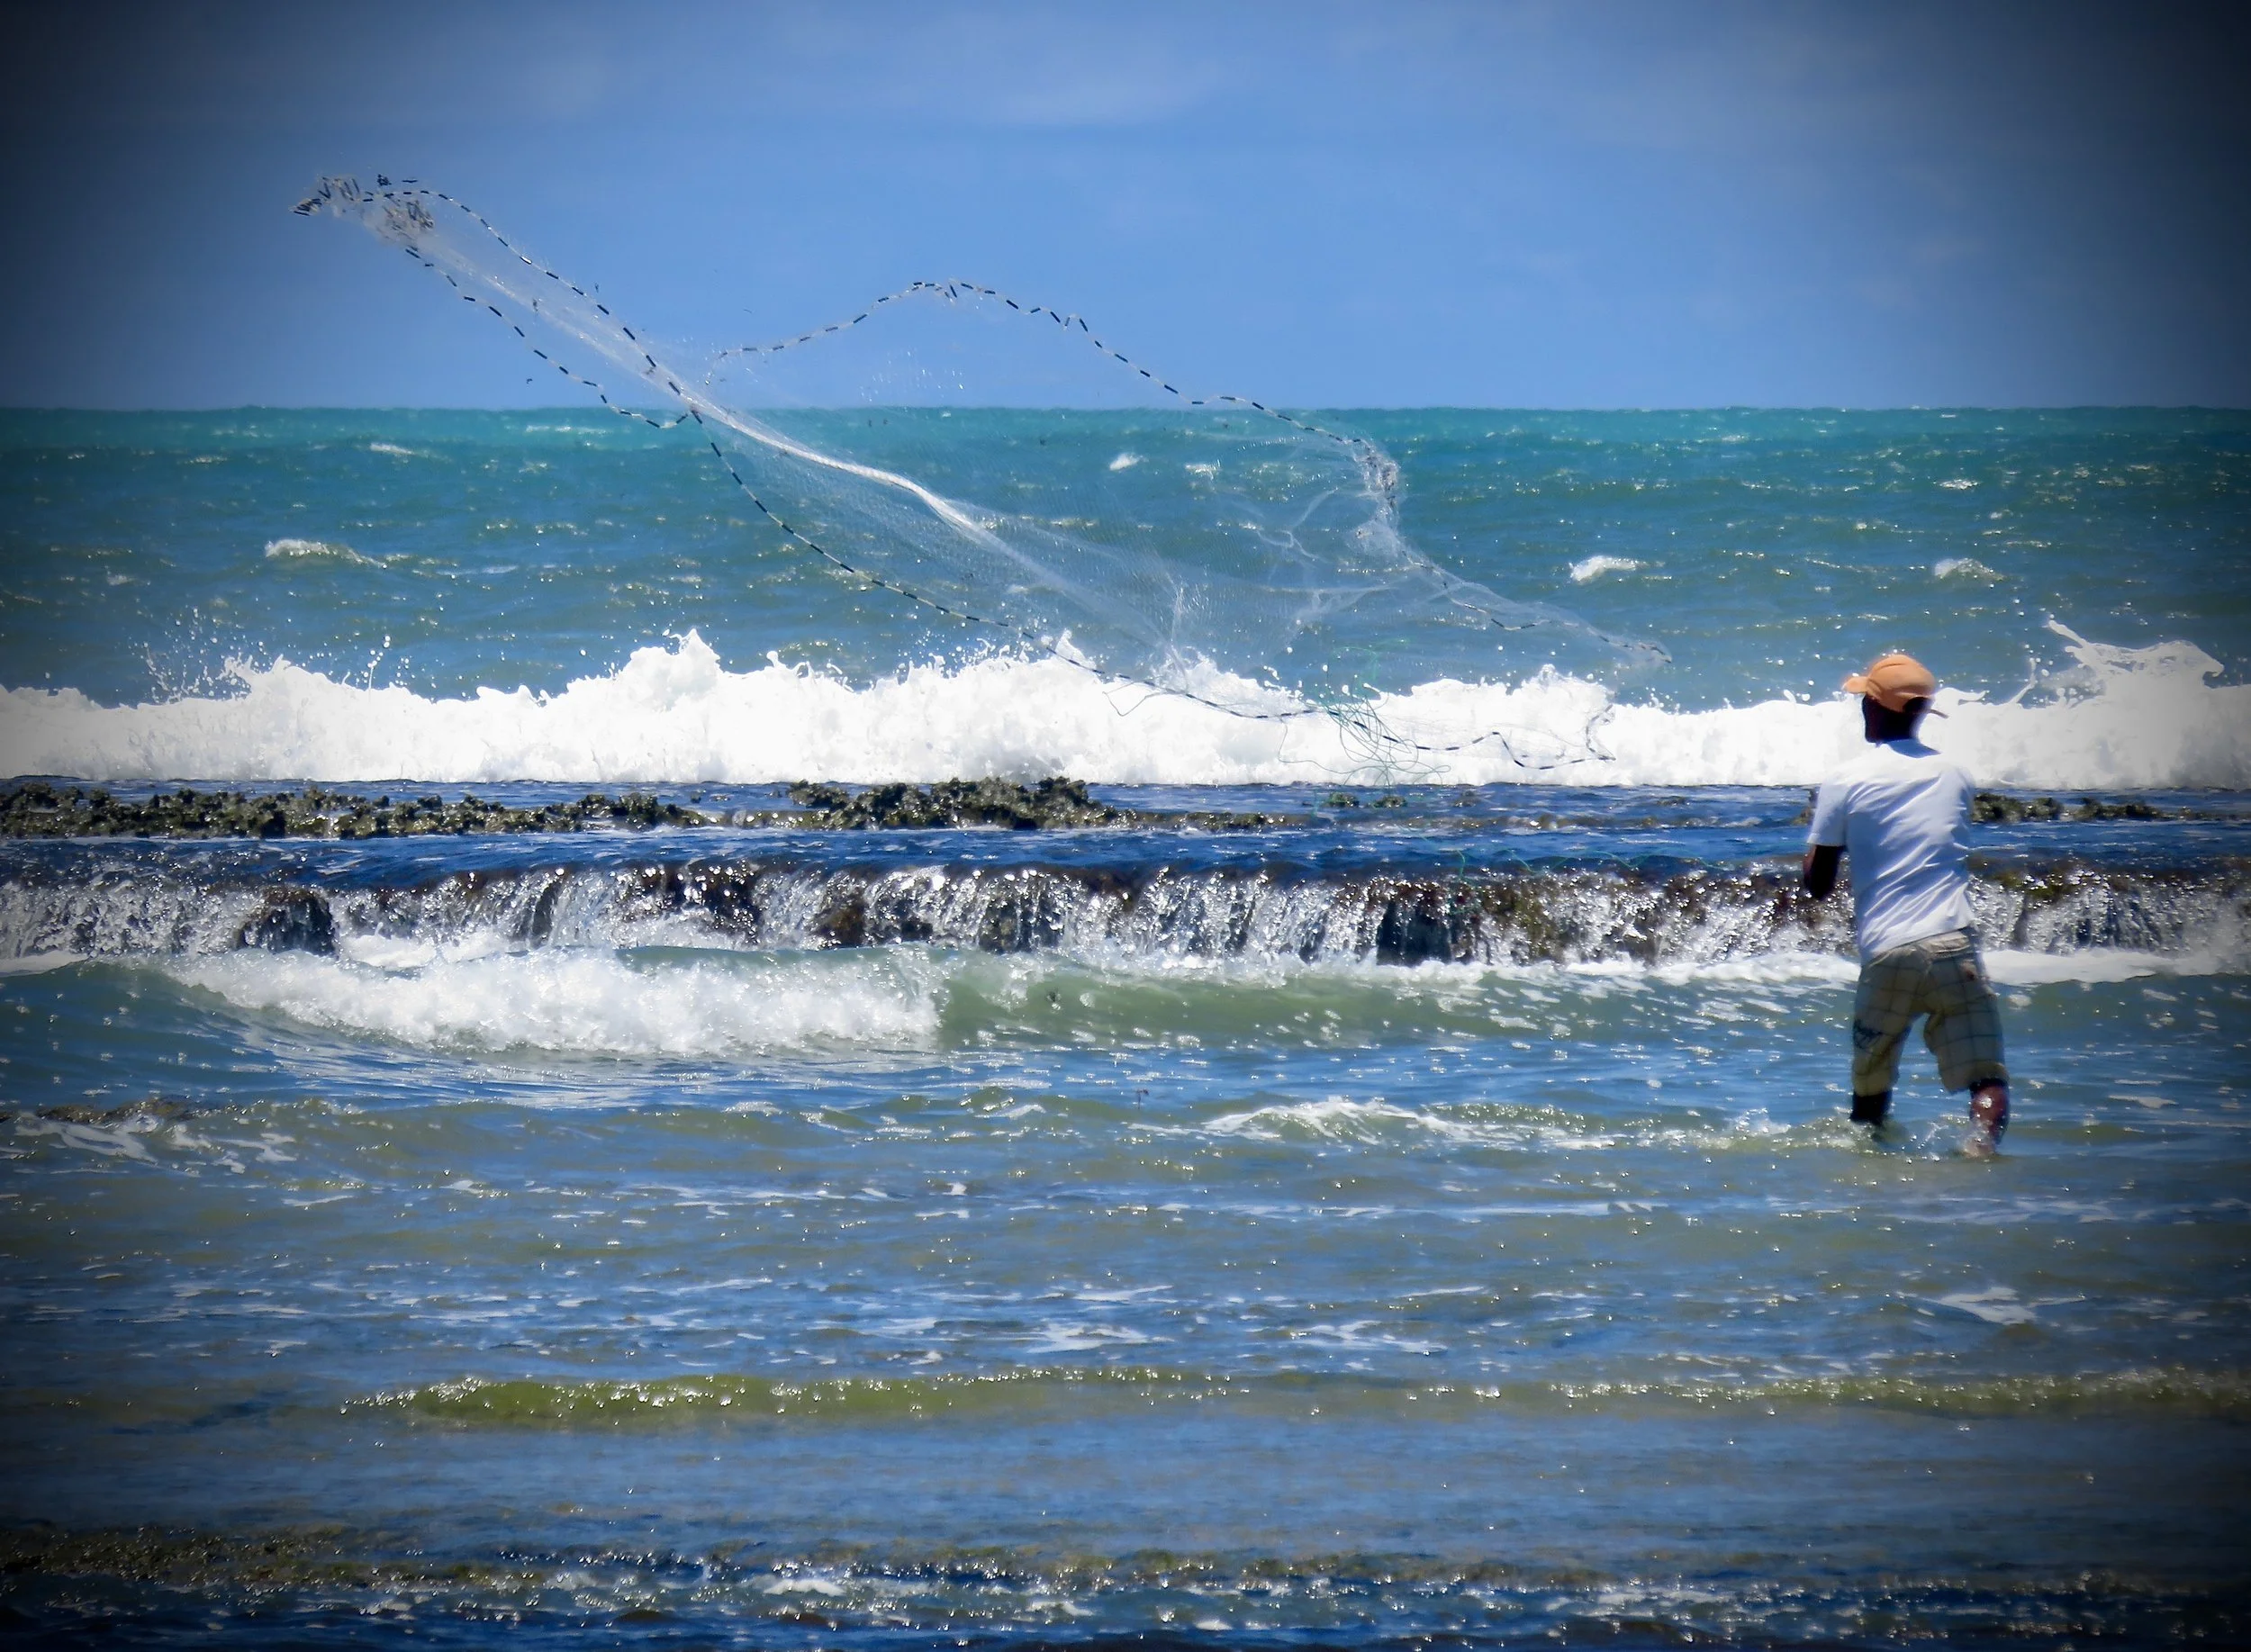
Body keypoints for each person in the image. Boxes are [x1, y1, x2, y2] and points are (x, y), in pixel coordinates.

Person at [1802, 653, 2011, 1151]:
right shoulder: (1956, 775)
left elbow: (1818, 884)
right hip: (1953, 944)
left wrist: (1823, 839)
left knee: (1869, 1094)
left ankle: (1875, 1178)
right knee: (1987, 1080)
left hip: (1888, 953)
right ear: (1919, 714)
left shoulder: (1844, 779)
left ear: (1874, 709)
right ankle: (1978, 1152)